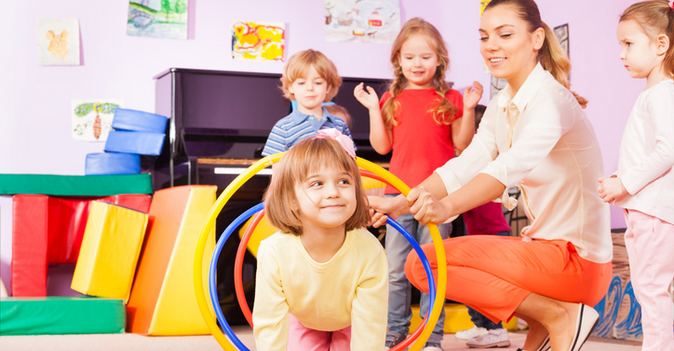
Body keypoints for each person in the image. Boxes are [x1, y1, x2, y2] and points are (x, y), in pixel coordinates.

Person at [368, 1, 613, 351]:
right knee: (421, 264)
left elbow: (506, 168)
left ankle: (559, 315)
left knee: (422, 265)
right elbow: (466, 164)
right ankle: (550, 317)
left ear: (536, 38)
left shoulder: (550, 100)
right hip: (544, 252)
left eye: (505, 34)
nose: (491, 46)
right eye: (484, 37)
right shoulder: (503, 103)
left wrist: (445, 206)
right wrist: (399, 203)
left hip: (576, 261)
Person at [353, 17, 482, 350]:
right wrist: (371, 108)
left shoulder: (450, 97)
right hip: (398, 196)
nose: (417, 64)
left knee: (432, 267)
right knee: (395, 268)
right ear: (398, 60)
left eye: (425, 57)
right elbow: (381, 146)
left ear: (439, 60)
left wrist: (467, 110)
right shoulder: (390, 99)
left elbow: (462, 144)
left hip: (437, 198)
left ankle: (430, 337)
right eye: (409, 57)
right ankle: (395, 330)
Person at [252, 134, 388, 351]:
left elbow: (371, 326)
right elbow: (268, 324)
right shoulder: (274, 251)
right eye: (317, 183)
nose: (333, 192)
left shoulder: (369, 250)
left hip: (353, 322)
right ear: (291, 200)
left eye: (344, 181)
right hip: (304, 321)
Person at [597, 1, 674, 350]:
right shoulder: (656, 94)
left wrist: (624, 184)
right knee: (653, 291)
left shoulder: (661, 93)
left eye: (629, 44)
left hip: (654, 215)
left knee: (651, 292)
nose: (621, 54)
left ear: (661, 45)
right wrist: (620, 178)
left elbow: (668, 150)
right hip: (650, 212)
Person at [455, 104, 513, 349]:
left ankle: (496, 330)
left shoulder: (486, 164)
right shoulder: (471, 163)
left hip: (493, 234)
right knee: (471, 284)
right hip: (478, 234)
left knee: (486, 286)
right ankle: (481, 326)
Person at [261, 49, 353, 156]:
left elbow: (350, 163)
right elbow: (277, 171)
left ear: (328, 87)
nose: (310, 88)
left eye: (318, 83)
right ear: (290, 87)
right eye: (301, 83)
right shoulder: (282, 128)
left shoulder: (340, 125)